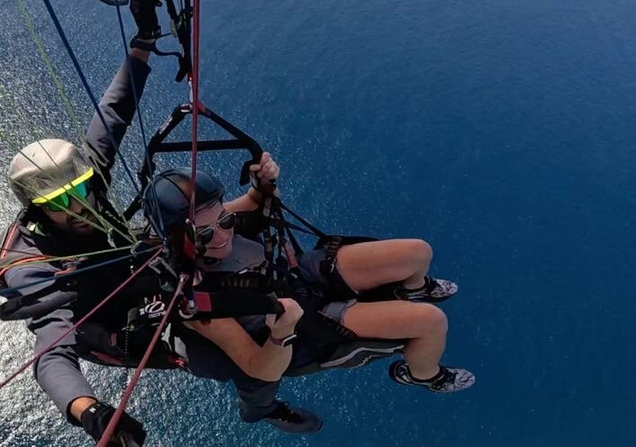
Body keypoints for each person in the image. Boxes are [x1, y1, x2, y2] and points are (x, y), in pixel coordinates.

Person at [141, 160, 474, 425]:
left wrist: (264, 180)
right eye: (204, 235)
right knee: (431, 323)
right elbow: (261, 369)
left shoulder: (209, 217)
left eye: (225, 221)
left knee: (418, 252)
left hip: (301, 272)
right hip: (308, 323)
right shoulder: (196, 299)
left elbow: (258, 202)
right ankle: (422, 374)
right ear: (176, 239)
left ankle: (412, 290)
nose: (221, 236)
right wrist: (281, 333)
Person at [0, 0, 162, 446]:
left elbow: (115, 110)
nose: (79, 204)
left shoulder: (85, 174)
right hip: (106, 319)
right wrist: (92, 414)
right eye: (61, 202)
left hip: (135, 264)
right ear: (36, 208)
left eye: (81, 190)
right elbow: (51, 354)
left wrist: (144, 38)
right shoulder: (29, 261)